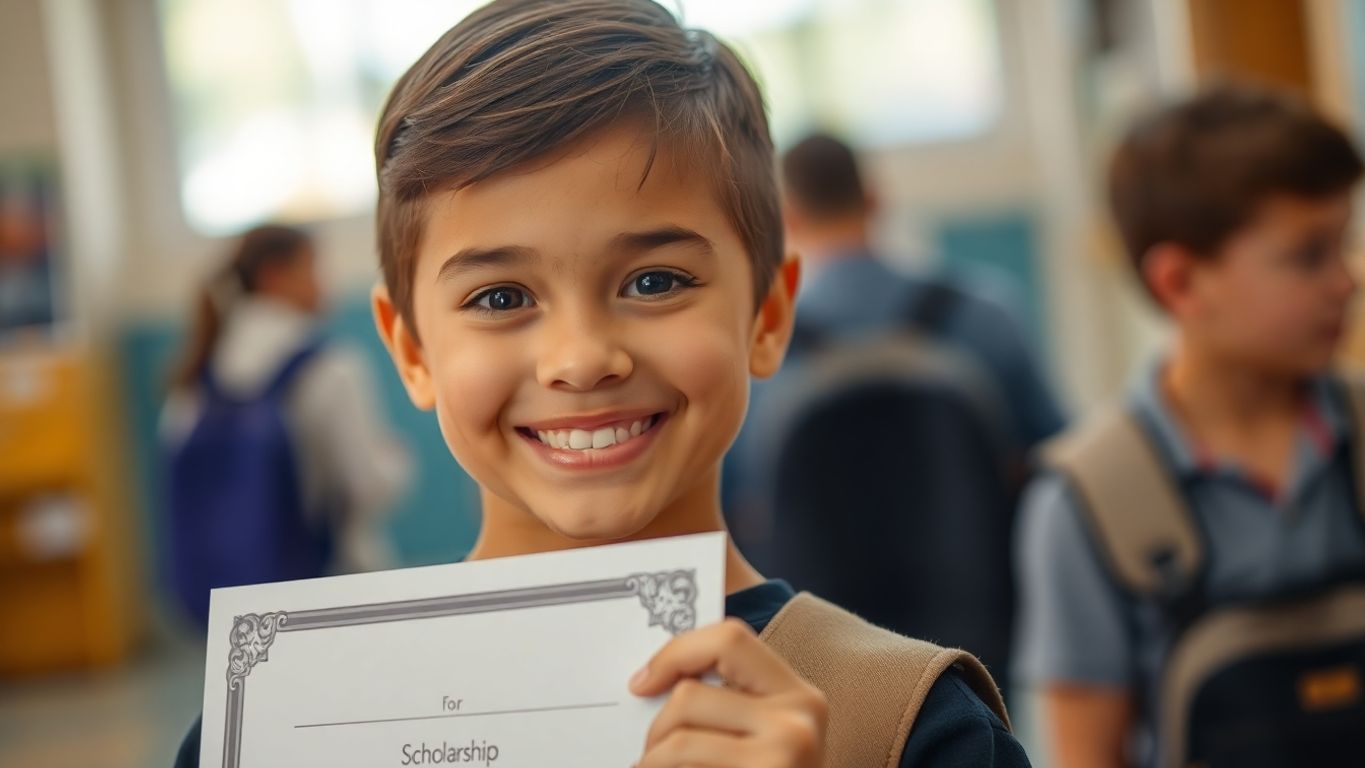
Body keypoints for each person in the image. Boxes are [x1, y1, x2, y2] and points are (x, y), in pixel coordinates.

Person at [173, 2, 1026, 765]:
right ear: (413, 351)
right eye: (500, 297)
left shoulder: (914, 732)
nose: (580, 359)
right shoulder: (264, 730)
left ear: (766, 315)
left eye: (654, 281)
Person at [1015, 84, 1365, 767]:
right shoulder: (1086, 501)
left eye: (1344, 244)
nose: (1345, 281)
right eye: (1307, 255)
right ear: (1178, 282)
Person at [162, 224, 410, 624]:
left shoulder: (192, 383)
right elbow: (368, 485)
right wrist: (397, 460)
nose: (324, 284)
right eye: (312, 269)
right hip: (335, 591)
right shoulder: (331, 368)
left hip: (232, 612)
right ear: (274, 275)